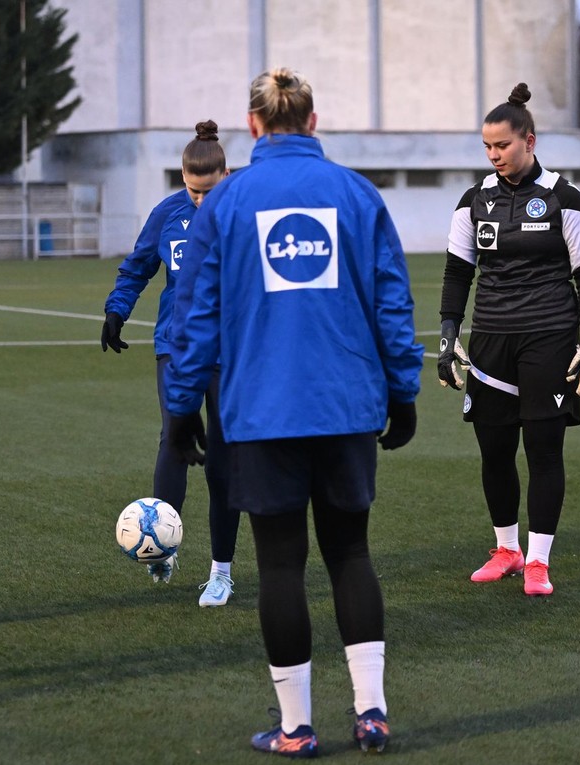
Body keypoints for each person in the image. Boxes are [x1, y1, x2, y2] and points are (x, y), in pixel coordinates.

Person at [165, 67, 421, 757]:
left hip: (262, 413)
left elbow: (197, 318)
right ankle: (372, 713)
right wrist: (404, 390)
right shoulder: (356, 194)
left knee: (280, 567)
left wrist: (180, 406)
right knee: (351, 553)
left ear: (253, 125)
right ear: (313, 121)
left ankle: (296, 728)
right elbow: (392, 303)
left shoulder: (225, 201)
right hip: (345, 407)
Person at [439, 82, 580, 597]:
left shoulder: (565, 198)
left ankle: (538, 560)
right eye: (487, 147)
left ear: (529, 142)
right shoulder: (473, 200)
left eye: (502, 146)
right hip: (490, 339)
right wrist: (449, 335)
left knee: (542, 449)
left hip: (549, 339)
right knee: (494, 450)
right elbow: (456, 273)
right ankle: (506, 549)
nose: (494, 156)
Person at [101, 120, 236, 603]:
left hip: (229, 351)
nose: (200, 200)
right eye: (193, 190)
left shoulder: (242, 213)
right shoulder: (169, 213)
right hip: (175, 346)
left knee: (223, 454)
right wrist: (117, 310)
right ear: (183, 178)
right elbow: (137, 265)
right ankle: (163, 547)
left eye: (209, 190)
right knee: (174, 439)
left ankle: (221, 571)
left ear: (227, 175)